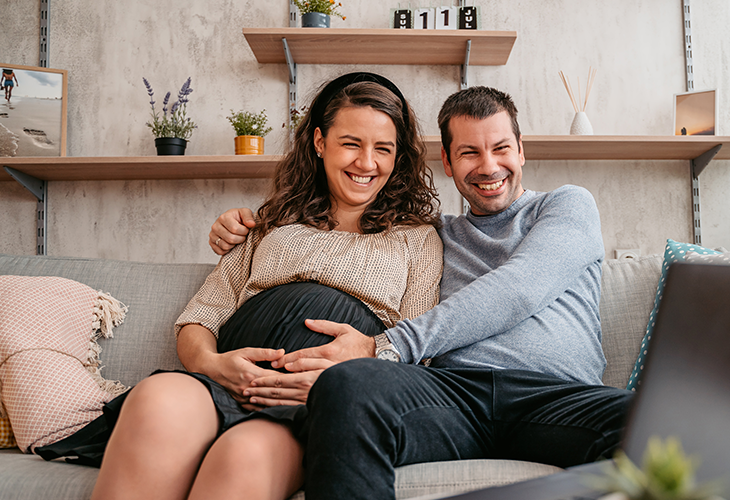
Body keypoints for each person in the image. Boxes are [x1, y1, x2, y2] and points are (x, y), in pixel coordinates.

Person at [211, 86, 634, 499]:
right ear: (448, 163)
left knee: (659, 422)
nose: (489, 166)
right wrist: (244, 223)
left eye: (501, 148)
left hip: (554, 397)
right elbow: (348, 231)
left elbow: (519, 288)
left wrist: (383, 347)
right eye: (469, 152)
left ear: (521, 150)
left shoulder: (567, 205)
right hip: (452, 397)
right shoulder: (431, 233)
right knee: (346, 385)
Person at [82, 72, 443, 500]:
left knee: (243, 455)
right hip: (224, 382)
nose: (367, 163)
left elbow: (418, 352)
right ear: (319, 142)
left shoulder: (418, 238)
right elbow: (199, 318)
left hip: (313, 403)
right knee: (157, 398)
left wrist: (346, 388)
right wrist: (215, 366)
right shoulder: (268, 223)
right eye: (351, 143)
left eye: (383, 148)